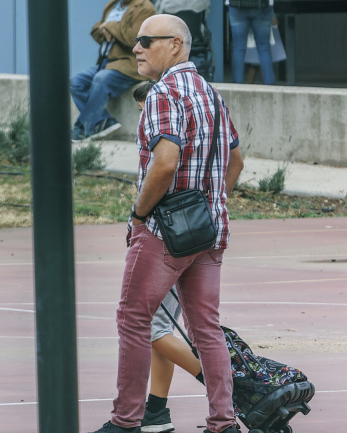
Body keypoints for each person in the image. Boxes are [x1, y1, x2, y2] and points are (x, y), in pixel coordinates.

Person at [89, 14, 244, 433]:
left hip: (164, 231)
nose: (136, 48)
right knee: (206, 328)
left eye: (146, 41)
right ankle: (223, 421)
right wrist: (208, 203)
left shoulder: (162, 93)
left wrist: (139, 216)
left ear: (175, 44)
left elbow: (165, 162)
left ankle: (126, 421)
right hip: (209, 231)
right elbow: (236, 160)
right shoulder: (210, 93)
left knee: (133, 318)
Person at [127, 81, 207, 433]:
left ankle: (225, 383)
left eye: (144, 108)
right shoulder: (197, 121)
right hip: (190, 232)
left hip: (166, 236)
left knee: (145, 324)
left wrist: (138, 217)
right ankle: (157, 411)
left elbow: (163, 171)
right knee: (160, 326)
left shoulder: (167, 131)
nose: (142, 116)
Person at [72, 0, 156, 141]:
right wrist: (104, 29)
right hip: (107, 62)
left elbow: (135, 39)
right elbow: (97, 30)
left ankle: (83, 129)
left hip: (130, 64)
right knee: (75, 82)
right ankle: (105, 122)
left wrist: (110, 26)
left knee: (101, 79)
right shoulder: (113, 4)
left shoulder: (146, 8)